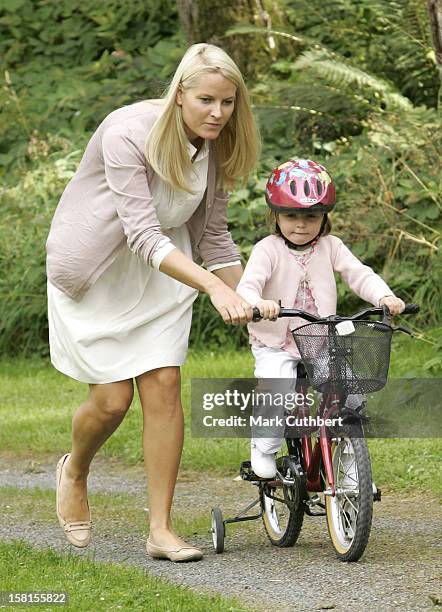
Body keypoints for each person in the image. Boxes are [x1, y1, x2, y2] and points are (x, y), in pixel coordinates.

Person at [46, 43, 261, 562]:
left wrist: (253, 299)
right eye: (207, 100)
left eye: (228, 103)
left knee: (164, 386)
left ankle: (160, 530)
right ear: (180, 93)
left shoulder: (218, 145)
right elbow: (140, 234)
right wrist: (213, 287)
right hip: (102, 271)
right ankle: (74, 468)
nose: (218, 113)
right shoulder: (127, 131)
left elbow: (213, 238)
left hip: (167, 273)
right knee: (112, 401)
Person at [237, 158, 405, 478]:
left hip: (319, 338)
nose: (300, 224)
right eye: (291, 216)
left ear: (324, 216)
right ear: (276, 215)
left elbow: (359, 274)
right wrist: (259, 303)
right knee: (276, 390)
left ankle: (349, 453)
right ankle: (264, 447)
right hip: (276, 341)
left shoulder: (331, 246)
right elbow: (247, 287)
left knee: (351, 390)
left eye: (310, 216)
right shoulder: (267, 249)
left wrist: (384, 296)